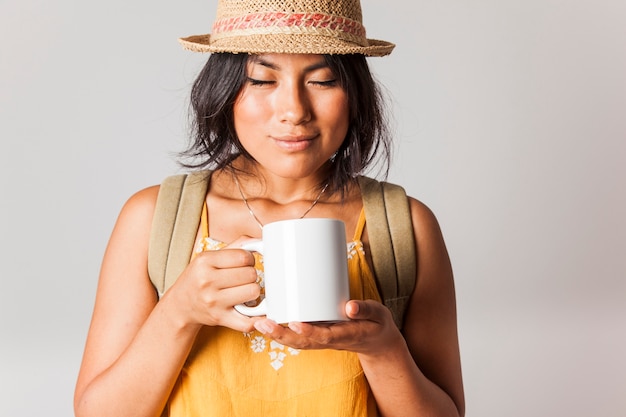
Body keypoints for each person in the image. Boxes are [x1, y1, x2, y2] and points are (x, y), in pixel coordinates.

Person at [74, 0, 465, 416]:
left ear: (354, 94)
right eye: (262, 80)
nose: (294, 111)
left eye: (323, 80)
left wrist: (384, 349)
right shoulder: (154, 218)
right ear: (223, 92)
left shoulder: (404, 226)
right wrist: (178, 313)